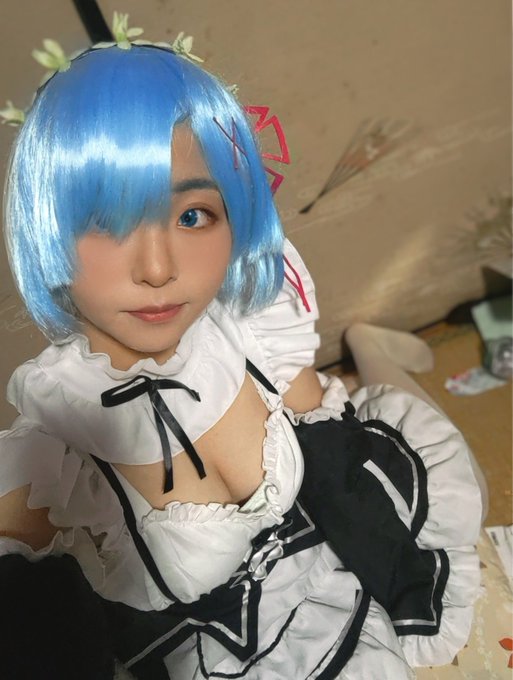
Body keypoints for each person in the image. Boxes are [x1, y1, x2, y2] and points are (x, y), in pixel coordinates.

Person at [0, 21, 484, 680]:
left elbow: (340, 457)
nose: (158, 268)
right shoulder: (51, 449)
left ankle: (374, 349)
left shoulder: (250, 331)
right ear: (46, 232)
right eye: (107, 224)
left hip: (328, 573)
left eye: (191, 216)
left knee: (437, 453)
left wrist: (407, 596)